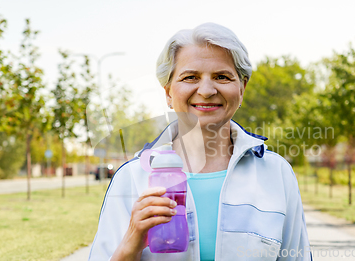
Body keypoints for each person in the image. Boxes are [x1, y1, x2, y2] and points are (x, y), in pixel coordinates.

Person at [89, 22, 312, 261]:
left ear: (242, 88)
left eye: (222, 77)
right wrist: (131, 241)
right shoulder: (132, 177)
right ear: (168, 93)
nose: (206, 90)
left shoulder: (277, 173)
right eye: (190, 77)